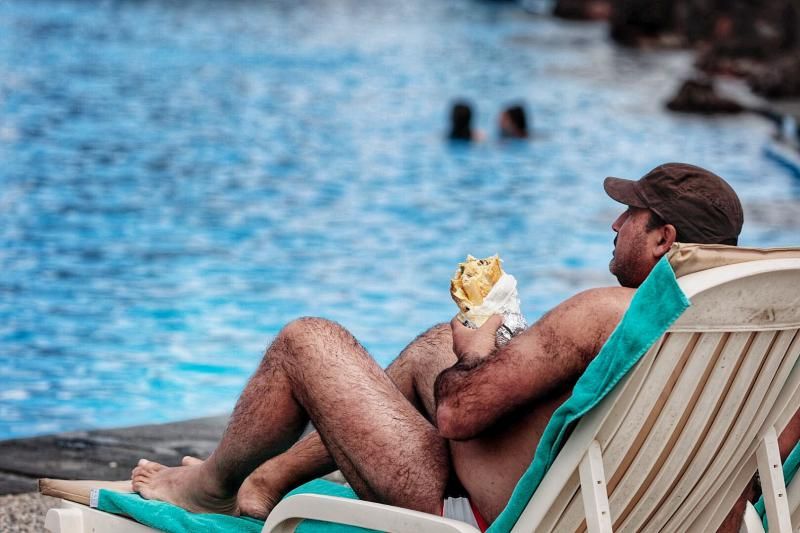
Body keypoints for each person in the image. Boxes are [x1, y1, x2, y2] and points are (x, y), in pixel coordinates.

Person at [131, 163, 796, 531]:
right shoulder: (753, 336)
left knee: (307, 341)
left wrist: (477, 344)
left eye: (631, 214)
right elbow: (774, 448)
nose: (616, 222)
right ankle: (270, 476)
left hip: (482, 514)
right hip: (661, 519)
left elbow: (456, 416)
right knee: (427, 349)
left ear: (662, 238)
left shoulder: (604, 314)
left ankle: (213, 487)